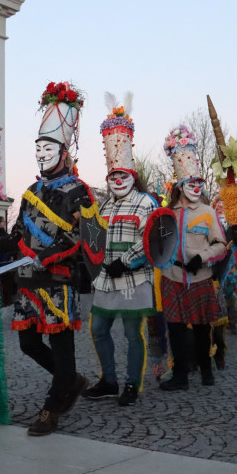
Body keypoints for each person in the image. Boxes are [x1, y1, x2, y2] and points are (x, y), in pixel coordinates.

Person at [10, 81, 95, 435]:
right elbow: (18, 230)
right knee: (28, 343)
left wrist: (48, 254)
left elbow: (84, 236)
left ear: (64, 152)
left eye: (48, 147)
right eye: (38, 147)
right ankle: (71, 381)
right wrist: (1, 243)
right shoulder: (31, 191)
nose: (42, 153)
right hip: (29, 281)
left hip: (59, 279)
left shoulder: (80, 190)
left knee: (61, 347)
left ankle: (53, 405)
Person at [84, 96, 159, 406]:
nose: (117, 180)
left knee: (132, 334)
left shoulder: (146, 202)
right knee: (98, 329)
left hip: (134, 280)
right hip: (105, 280)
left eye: (122, 175)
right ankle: (109, 380)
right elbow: (95, 240)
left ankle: (132, 383)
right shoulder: (103, 205)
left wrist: (127, 262)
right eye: (112, 176)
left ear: (131, 176)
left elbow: (152, 239)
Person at [155, 125, 227, 391]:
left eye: (199, 183)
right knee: (174, 328)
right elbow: (157, 242)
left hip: (200, 277)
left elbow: (221, 244)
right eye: (191, 183)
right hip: (172, 277)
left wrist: (203, 257)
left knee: (200, 328)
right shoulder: (167, 213)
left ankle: (206, 370)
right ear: (180, 185)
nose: (196, 187)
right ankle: (181, 375)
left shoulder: (208, 212)